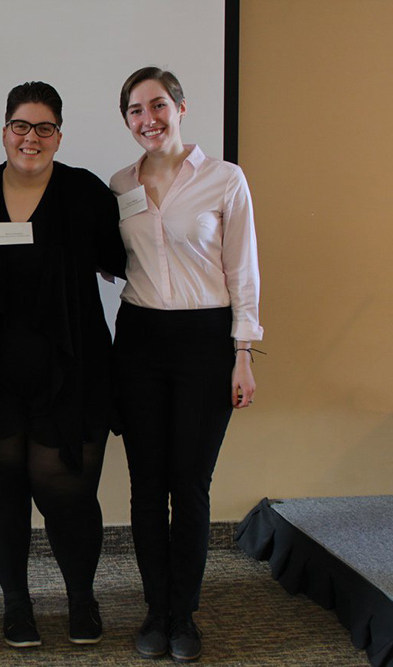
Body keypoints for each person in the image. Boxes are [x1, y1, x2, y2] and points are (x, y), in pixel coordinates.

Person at [0, 82, 126, 649]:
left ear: (59, 136)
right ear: (4, 131)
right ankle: (16, 605)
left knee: (67, 491)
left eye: (44, 128)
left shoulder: (87, 193)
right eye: (21, 126)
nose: (31, 138)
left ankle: (81, 599)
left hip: (70, 369)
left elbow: (124, 260)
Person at [110, 66, 262, 663]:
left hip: (205, 340)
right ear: (126, 120)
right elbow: (115, 256)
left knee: (190, 485)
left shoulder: (225, 179)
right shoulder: (120, 182)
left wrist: (243, 355)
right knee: (147, 486)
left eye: (157, 106)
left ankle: (184, 615)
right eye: (134, 110)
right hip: (140, 339)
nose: (147, 119)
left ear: (180, 108)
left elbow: (243, 271)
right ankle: (155, 611)